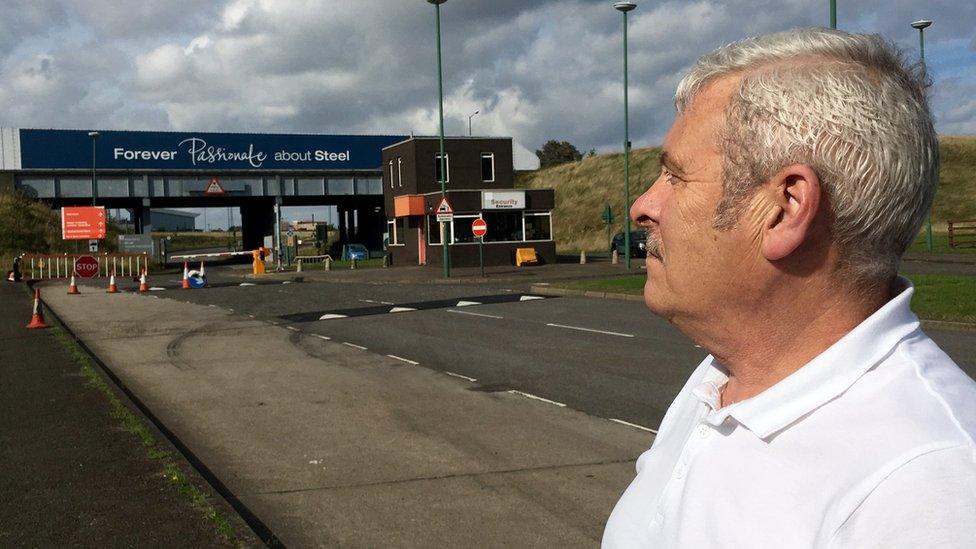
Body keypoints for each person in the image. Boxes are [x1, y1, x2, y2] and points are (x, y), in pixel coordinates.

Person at [603, 28, 976, 548]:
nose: (644, 206)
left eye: (676, 177)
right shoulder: (721, 379)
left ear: (784, 209)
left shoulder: (930, 489)